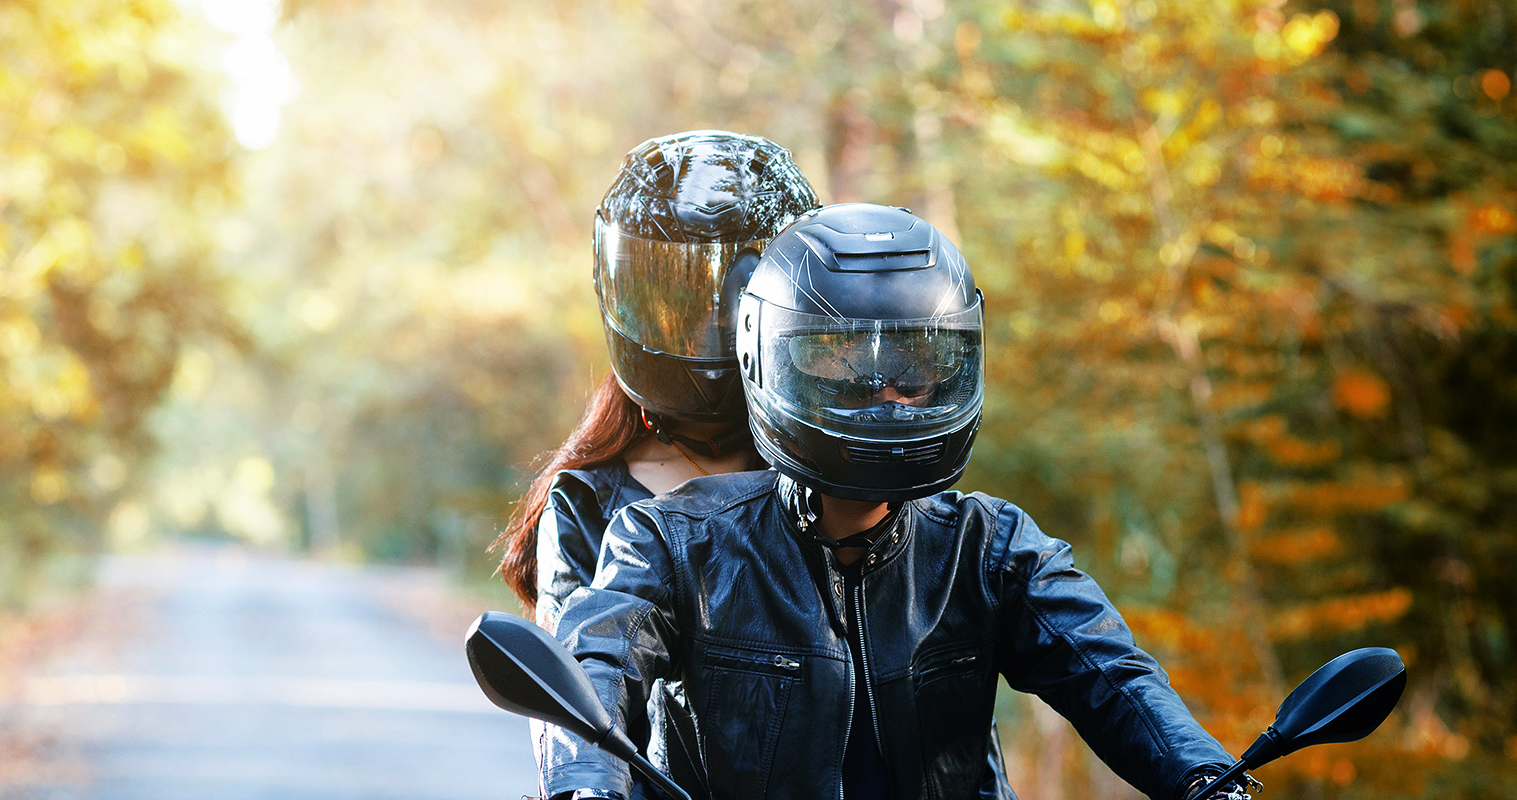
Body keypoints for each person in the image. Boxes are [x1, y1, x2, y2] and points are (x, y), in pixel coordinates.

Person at [546, 204, 1259, 800]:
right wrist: (584, 786)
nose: (890, 403)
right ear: (771, 363)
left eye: (915, 376)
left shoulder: (988, 548)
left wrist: (1209, 780)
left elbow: (1111, 675)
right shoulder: (678, 542)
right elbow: (596, 661)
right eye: (850, 375)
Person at [490, 130, 819, 797]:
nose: (706, 324)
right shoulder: (587, 503)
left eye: (729, 298)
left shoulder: (831, 478)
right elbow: (581, 698)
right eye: (679, 301)